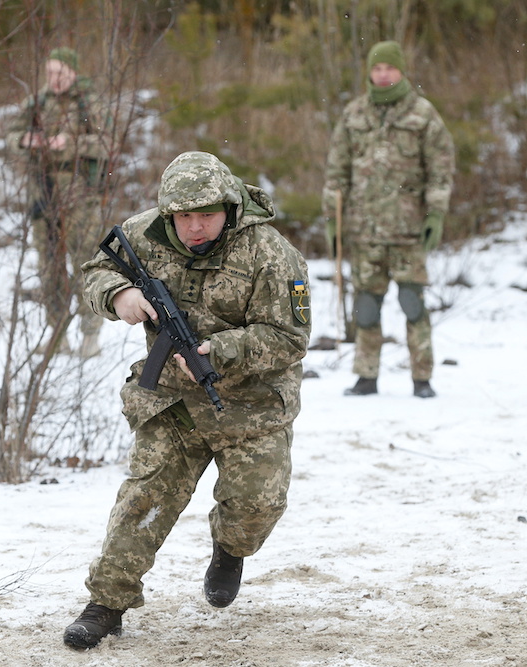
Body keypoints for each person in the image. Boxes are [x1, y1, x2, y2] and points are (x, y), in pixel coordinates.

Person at [64, 151, 311, 649]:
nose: (194, 227)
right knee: (143, 500)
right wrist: (119, 296)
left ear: (228, 207)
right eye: (183, 216)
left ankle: (230, 548)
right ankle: (106, 604)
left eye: (206, 215)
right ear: (167, 213)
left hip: (252, 404)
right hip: (172, 404)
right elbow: (94, 270)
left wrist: (220, 350)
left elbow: (290, 337)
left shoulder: (271, 253)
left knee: (256, 507)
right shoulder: (143, 233)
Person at [322, 40, 454, 398]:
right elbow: (337, 173)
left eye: (389, 68)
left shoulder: (422, 114)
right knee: (366, 305)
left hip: (408, 229)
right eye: (377, 69)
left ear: (401, 71)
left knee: (412, 303)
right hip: (365, 231)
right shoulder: (354, 115)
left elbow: (440, 168)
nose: (383, 75)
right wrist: (332, 220)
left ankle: (422, 377)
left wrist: (436, 213)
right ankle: (366, 376)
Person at [5, 47, 112, 358]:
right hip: (43, 191)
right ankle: (57, 333)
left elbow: (109, 143)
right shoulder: (37, 103)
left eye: (60, 73)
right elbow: (12, 135)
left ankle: (90, 335)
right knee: (49, 265)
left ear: (74, 73)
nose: (54, 79)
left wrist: (73, 143)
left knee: (85, 264)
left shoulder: (89, 103)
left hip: (80, 194)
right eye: (49, 73)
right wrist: (27, 141)